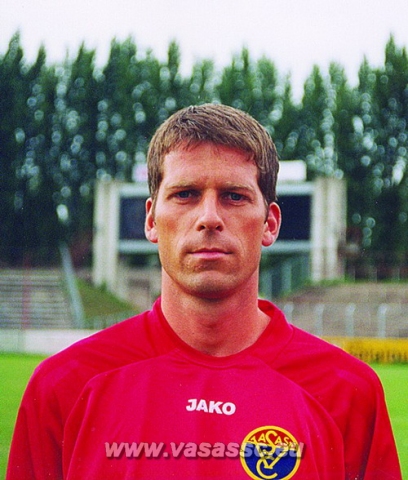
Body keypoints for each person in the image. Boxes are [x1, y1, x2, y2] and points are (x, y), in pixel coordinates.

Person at [7, 104, 401, 480]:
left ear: (270, 224)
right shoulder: (63, 387)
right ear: (151, 220)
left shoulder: (348, 394)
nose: (209, 218)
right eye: (185, 194)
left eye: (234, 196)